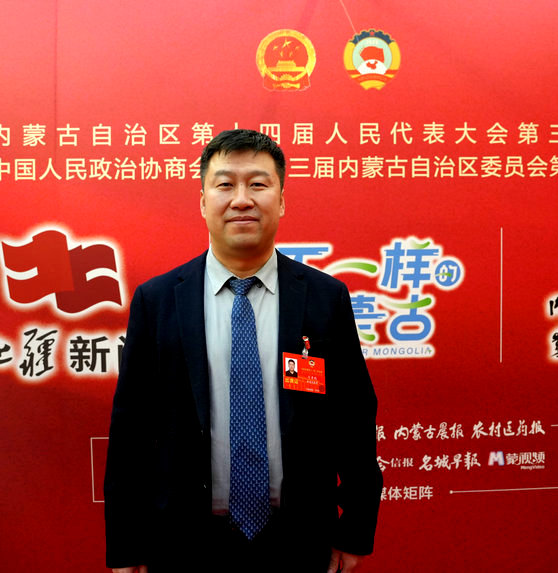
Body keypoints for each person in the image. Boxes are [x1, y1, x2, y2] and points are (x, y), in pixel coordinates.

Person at [104, 129, 382, 573]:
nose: (241, 200)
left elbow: (353, 419)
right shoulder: (157, 301)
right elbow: (131, 430)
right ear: (203, 202)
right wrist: (128, 543)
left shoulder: (324, 298)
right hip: (184, 541)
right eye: (225, 184)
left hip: (299, 539)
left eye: (257, 184)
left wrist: (355, 528)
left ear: (282, 200)